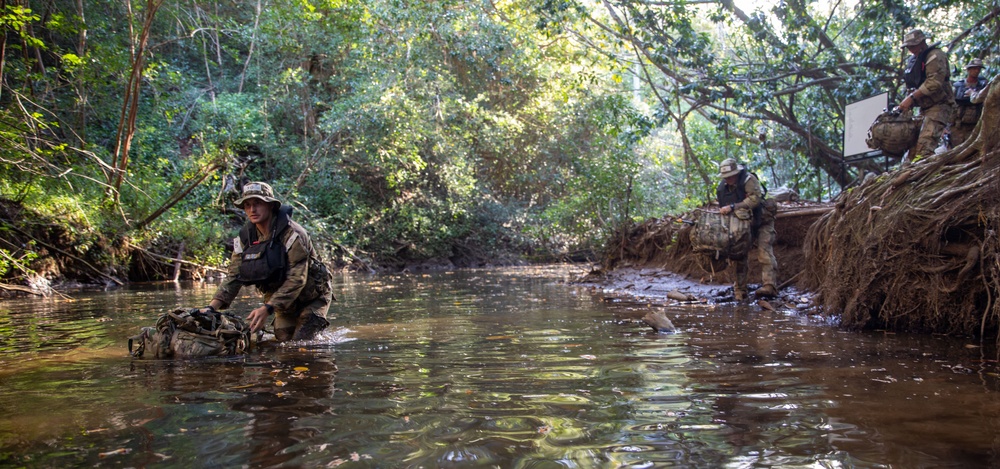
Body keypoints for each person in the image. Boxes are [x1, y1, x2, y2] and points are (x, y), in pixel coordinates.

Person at [203, 181, 333, 341]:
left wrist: (268, 308)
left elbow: (297, 279)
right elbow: (234, 277)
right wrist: (211, 308)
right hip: (281, 299)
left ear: (271, 206)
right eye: (248, 205)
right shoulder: (244, 239)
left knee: (301, 344)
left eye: (258, 203)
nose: (252, 209)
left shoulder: (293, 234)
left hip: (313, 297)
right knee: (283, 339)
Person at [717, 158, 778, 301]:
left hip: (762, 221)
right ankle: (740, 291)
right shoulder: (722, 189)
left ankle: (769, 286)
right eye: (726, 177)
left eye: (731, 175)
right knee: (739, 256)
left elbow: (755, 199)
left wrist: (733, 207)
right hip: (741, 226)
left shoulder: (748, 180)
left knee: (764, 253)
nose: (729, 179)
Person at [895, 29, 955, 161]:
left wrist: (911, 99)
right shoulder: (914, 61)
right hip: (923, 109)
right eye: (909, 47)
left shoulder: (935, 56)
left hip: (939, 106)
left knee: (924, 149)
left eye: (914, 46)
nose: (911, 49)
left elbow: (934, 83)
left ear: (922, 42)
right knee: (911, 152)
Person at [950, 58, 988, 147]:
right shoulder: (958, 86)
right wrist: (946, 127)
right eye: (974, 68)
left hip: (975, 126)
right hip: (958, 126)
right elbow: (949, 105)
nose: (976, 71)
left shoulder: (983, 86)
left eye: (978, 69)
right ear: (968, 69)